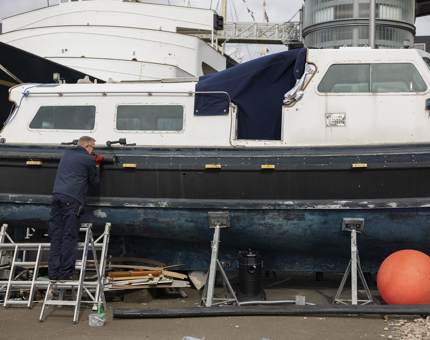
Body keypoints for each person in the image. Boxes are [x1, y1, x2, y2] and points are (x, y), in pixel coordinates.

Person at [48, 136, 104, 281]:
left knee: (56, 236)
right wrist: (97, 164)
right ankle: (66, 274)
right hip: (71, 200)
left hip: (56, 197)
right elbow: (95, 182)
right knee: (70, 236)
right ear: (86, 147)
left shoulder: (67, 153)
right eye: (93, 148)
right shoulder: (89, 159)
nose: (93, 151)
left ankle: (53, 274)